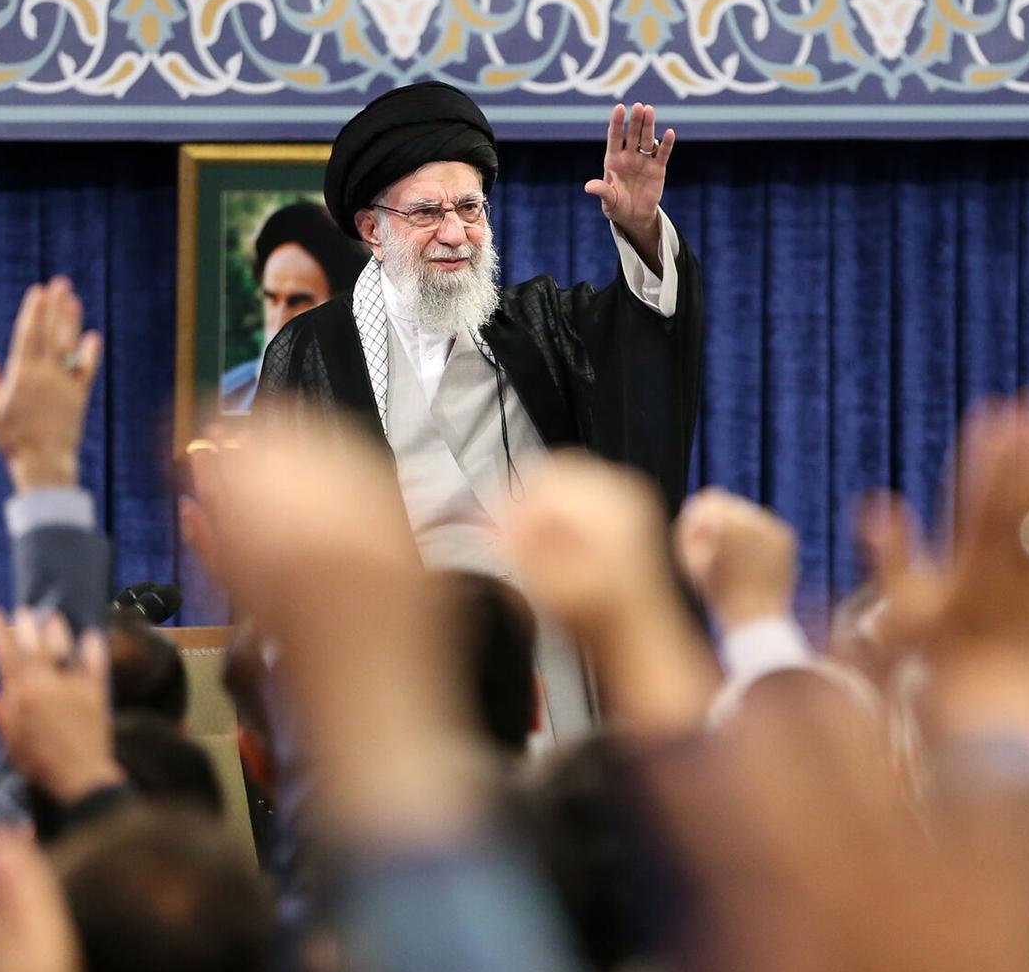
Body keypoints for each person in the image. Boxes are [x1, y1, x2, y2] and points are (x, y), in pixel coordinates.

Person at [257, 81, 703, 748]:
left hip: (551, 661)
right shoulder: (311, 352)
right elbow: (281, 535)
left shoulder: (536, 326)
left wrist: (640, 231)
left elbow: (641, 343)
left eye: (470, 208)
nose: (455, 233)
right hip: (405, 674)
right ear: (372, 229)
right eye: (427, 212)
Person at [218, 201, 368, 414]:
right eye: (272, 299)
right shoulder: (230, 394)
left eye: (298, 301)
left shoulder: (369, 403)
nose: (279, 320)